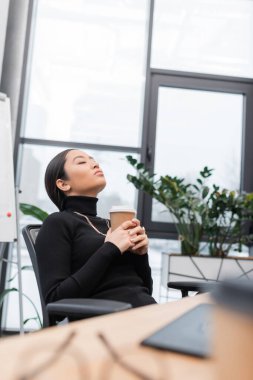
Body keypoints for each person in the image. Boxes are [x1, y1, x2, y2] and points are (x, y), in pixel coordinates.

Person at [35, 149, 156, 310]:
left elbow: (144, 290)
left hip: (148, 312)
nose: (94, 164)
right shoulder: (58, 222)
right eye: (81, 162)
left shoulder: (110, 225)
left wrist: (141, 255)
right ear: (63, 184)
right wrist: (111, 248)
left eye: (93, 160)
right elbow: (55, 299)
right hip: (110, 324)